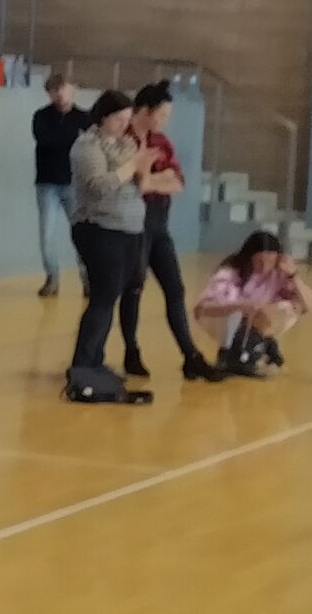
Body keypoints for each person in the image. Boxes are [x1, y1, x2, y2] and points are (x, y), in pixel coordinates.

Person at [117, 83, 225, 384]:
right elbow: (126, 182)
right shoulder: (122, 140)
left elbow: (176, 181)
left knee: (175, 289)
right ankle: (131, 349)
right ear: (145, 111)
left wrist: (149, 180)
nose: (165, 121)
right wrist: (153, 178)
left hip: (158, 223)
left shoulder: (161, 142)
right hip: (132, 224)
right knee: (134, 287)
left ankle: (190, 355)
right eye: (162, 114)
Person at [66, 89, 151, 388]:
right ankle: (83, 364)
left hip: (130, 228)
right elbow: (98, 186)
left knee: (113, 295)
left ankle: (95, 360)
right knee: (103, 297)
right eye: (118, 119)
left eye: (127, 120)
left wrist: (142, 169)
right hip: (99, 228)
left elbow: (140, 182)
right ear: (103, 117)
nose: (124, 125)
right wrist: (131, 167)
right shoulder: (86, 146)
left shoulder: (127, 143)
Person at [195, 230, 312, 377]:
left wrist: (293, 275)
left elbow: (308, 306)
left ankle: (256, 345)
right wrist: (240, 306)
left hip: (257, 322)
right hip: (222, 320)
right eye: (259, 262)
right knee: (236, 313)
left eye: (270, 262)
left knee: (288, 308)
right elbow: (203, 308)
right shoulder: (230, 273)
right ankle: (229, 351)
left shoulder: (279, 274)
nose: (264, 267)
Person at [29, 72, 91, 298]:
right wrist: (74, 139)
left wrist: (71, 140)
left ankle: (87, 278)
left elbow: (88, 147)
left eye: (64, 89)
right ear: (49, 93)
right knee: (47, 235)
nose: (60, 95)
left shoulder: (85, 118)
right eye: (55, 90)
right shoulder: (41, 116)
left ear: (74, 89)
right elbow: (46, 140)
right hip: (47, 184)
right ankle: (52, 277)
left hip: (75, 184)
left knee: (81, 235)